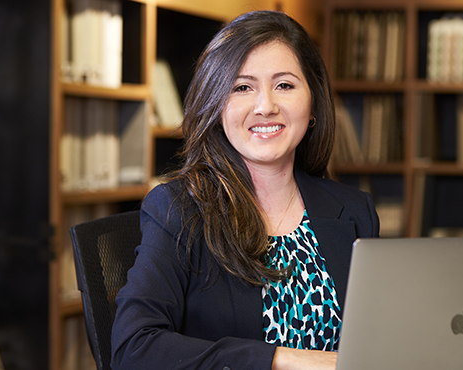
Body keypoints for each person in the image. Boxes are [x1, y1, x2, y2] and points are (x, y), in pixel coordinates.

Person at [111, 10, 380, 370]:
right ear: (216, 106)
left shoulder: (354, 210)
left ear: (313, 102)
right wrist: (283, 360)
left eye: (284, 85)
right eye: (242, 87)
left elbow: (379, 339)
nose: (265, 106)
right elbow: (134, 348)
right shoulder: (177, 209)